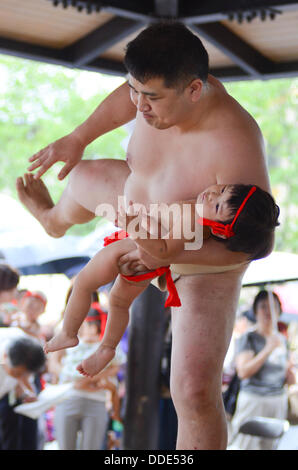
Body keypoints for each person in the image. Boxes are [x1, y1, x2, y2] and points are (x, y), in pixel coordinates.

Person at [16, 21, 274, 449]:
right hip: (140, 213)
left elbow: (254, 245)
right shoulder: (149, 93)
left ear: (194, 89)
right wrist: (79, 137)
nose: (139, 105)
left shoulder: (236, 143)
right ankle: (53, 220)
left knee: (191, 391)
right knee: (84, 175)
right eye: (135, 90)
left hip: (204, 258)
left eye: (150, 97)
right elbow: (127, 98)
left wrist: (164, 258)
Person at [44, 183, 279, 379]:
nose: (212, 194)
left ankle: (69, 331)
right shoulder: (199, 216)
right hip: (141, 263)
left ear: (220, 230)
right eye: (223, 189)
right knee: (117, 303)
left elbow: (163, 250)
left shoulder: (193, 222)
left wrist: (132, 224)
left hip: (130, 247)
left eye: (217, 205)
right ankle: (107, 348)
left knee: (84, 282)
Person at [229, 290, 296, 450]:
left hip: (277, 401)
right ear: (255, 311)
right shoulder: (248, 338)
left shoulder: (282, 339)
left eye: (273, 307)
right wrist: (267, 350)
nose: (268, 311)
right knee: (246, 445)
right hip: (254, 400)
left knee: (270, 446)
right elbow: (243, 372)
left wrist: (289, 374)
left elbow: (285, 376)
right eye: (263, 307)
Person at [50, 309, 123, 450]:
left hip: (96, 402)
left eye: (93, 324)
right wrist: (73, 380)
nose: (89, 328)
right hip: (68, 398)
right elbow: (53, 364)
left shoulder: (108, 346)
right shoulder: (69, 341)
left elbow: (115, 367)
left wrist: (89, 380)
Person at [0, 328, 46, 449]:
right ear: (5, 357)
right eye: (17, 374)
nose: (21, 377)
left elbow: (22, 377)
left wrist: (27, 392)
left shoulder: (26, 346)